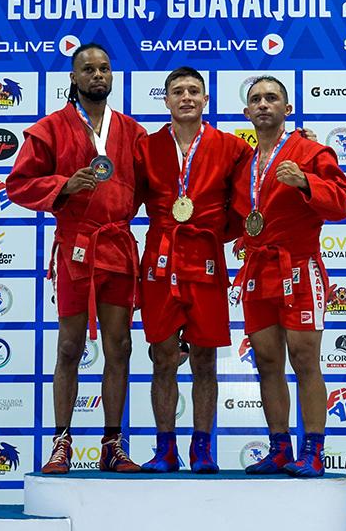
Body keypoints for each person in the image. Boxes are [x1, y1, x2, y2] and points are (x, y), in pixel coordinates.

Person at [6, 43, 145, 474]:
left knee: (120, 346)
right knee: (69, 346)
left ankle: (113, 444)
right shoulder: (50, 128)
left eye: (104, 68)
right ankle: (61, 441)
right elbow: (18, 184)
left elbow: (159, 179)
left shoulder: (132, 131)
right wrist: (63, 186)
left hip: (117, 246)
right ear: (73, 77)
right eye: (88, 69)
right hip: (77, 248)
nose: (97, 75)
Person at [231, 76, 346, 477]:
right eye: (256, 99)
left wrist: (305, 181)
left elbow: (343, 203)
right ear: (246, 113)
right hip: (258, 269)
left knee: (304, 359)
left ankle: (313, 451)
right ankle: (279, 448)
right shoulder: (244, 164)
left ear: (287, 109)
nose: (263, 104)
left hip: (299, 267)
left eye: (272, 98)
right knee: (267, 361)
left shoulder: (312, 151)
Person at [134, 67, 251, 473]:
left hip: (204, 257)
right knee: (163, 357)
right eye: (178, 91)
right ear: (166, 100)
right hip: (161, 258)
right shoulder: (146, 147)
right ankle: (165, 448)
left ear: (206, 100)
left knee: (205, 359)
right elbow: (125, 197)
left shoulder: (233, 147)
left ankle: (202, 448)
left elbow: (249, 198)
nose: (186, 97)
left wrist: (218, 232)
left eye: (194, 91)